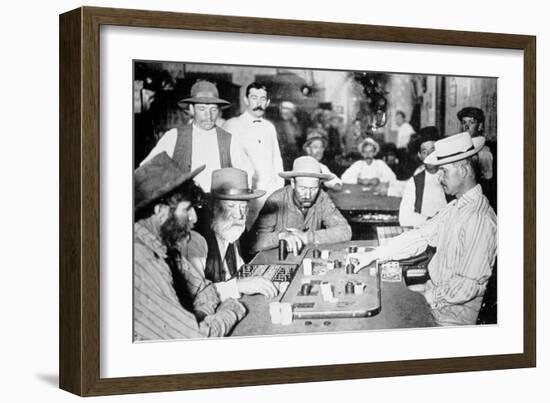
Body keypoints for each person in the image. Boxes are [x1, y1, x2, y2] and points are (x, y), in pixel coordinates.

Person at [351, 132, 497, 326]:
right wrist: (374, 254)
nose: (440, 177)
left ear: (463, 171)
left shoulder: (478, 219)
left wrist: (426, 295)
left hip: (450, 316)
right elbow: (421, 236)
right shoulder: (456, 207)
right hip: (437, 298)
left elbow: (466, 286)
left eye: (444, 171)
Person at [133, 152, 246, 340]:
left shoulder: (164, 247)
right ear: (161, 212)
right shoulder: (141, 258)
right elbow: (196, 338)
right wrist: (232, 310)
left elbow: (206, 292)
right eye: (186, 209)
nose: (194, 218)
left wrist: (194, 319)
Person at [183, 167, 278, 301]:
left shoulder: (229, 232)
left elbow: (239, 272)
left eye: (243, 207)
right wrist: (237, 287)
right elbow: (197, 296)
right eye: (231, 206)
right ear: (212, 206)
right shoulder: (195, 242)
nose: (239, 215)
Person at [140, 80, 253, 192]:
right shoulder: (173, 137)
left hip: (217, 205)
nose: (208, 115)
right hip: (184, 207)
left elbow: (247, 173)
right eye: (202, 109)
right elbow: (145, 171)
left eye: (213, 109)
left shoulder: (229, 140)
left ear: (218, 110)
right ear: (191, 109)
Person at [250, 156, 352, 254]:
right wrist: (281, 236)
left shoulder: (322, 199)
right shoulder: (276, 201)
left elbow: (345, 231)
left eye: (313, 189)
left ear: (320, 185)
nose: (307, 195)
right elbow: (253, 243)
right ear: (293, 183)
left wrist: (306, 237)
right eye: (302, 188)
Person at [224, 82, 285, 229]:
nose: (259, 103)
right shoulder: (233, 125)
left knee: (267, 233)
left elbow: (277, 159)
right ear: (246, 100)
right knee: (245, 234)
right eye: (254, 97)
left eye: (263, 99)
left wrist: (278, 189)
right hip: (246, 193)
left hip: (270, 192)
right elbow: (228, 162)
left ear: (268, 102)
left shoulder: (269, 127)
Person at [399, 127, 447, 227]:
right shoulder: (415, 182)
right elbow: (404, 218)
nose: (429, 156)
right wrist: (430, 220)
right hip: (424, 231)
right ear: (420, 156)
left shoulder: (449, 176)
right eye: (425, 152)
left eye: (433, 151)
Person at [457, 106, 496, 210]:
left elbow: (487, 181)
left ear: (480, 126)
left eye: (471, 122)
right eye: (464, 122)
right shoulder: (461, 147)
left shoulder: (483, 150)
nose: (466, 126)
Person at [274, 101, 302, 171]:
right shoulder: (276, 125)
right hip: (283, 154)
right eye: (283, 110)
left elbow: (299, 135)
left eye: (288, 111)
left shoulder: (295, 124)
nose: (284, 112)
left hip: (294, 153)